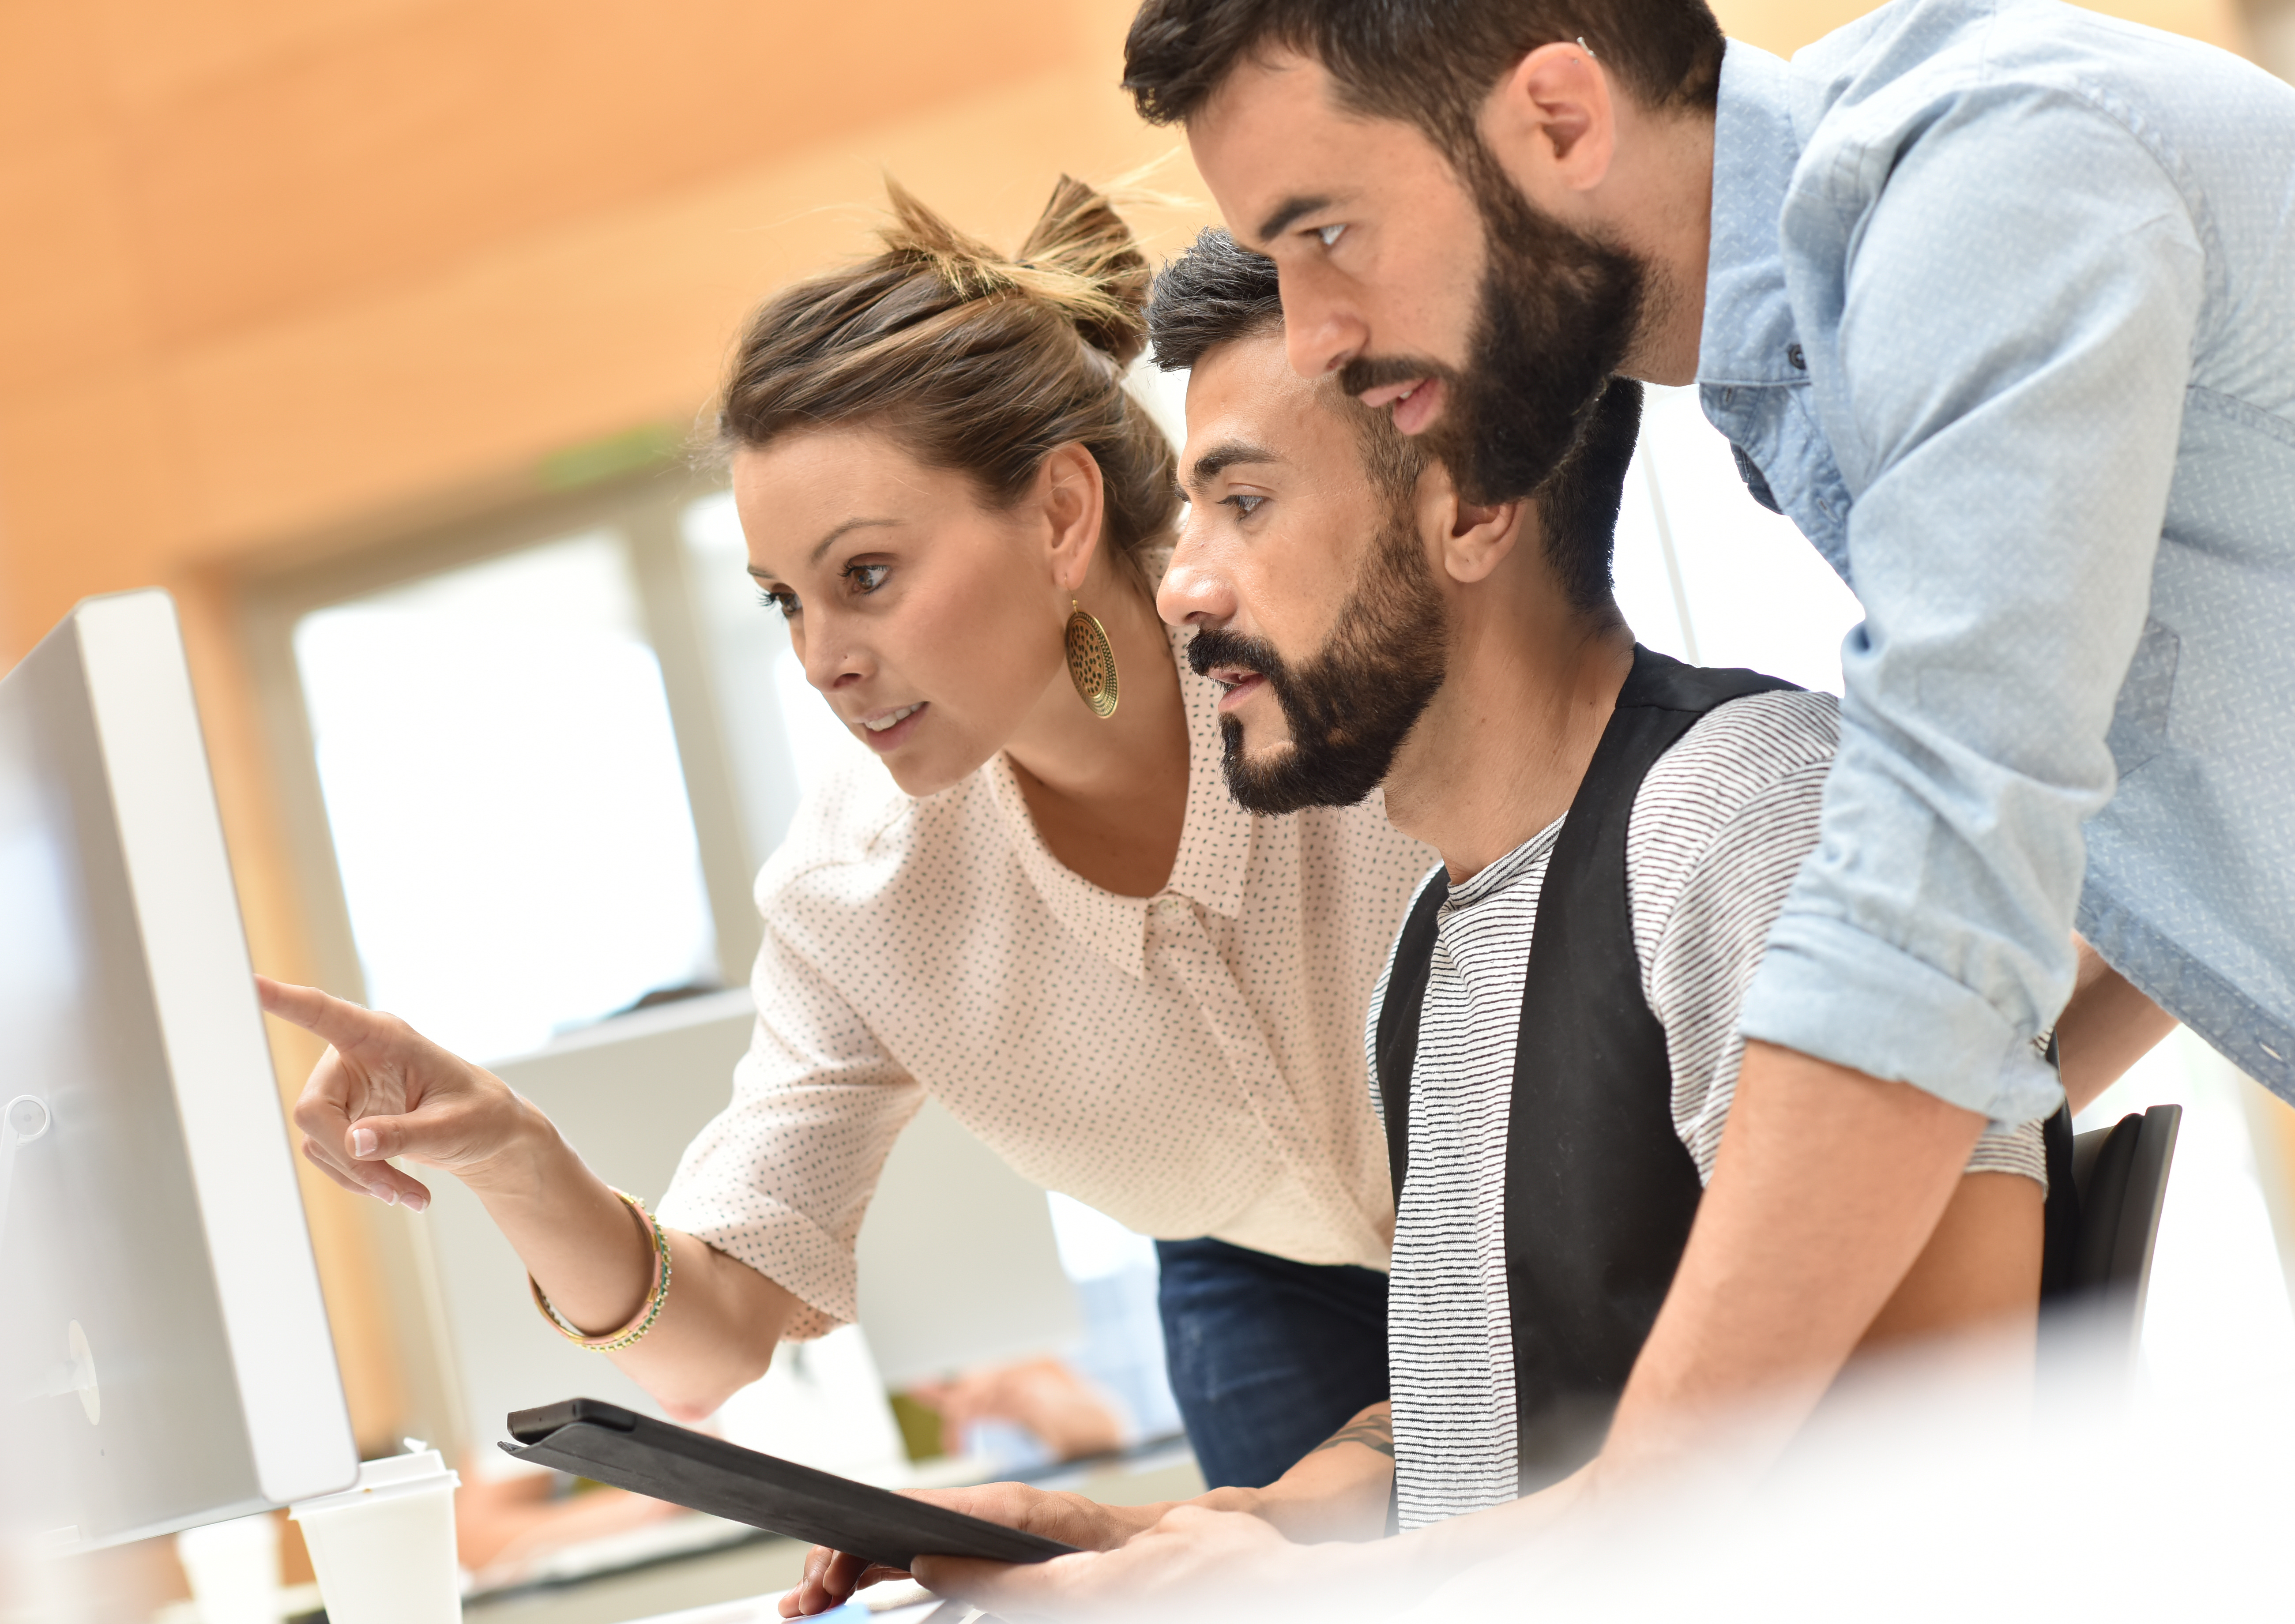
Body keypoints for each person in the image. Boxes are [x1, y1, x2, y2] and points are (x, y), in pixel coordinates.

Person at [779, 229, 2049, 1620]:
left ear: (1472, 507)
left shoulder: (1738, 814)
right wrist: (1124, 1530)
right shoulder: (1438, 947)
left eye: (1245, 504)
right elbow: (1471, 1449)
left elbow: (1928, 1427)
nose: (1185, 585)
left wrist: (1346, 1582)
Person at [1112, 0, 2282, 1508]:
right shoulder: (1799, 355)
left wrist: (1596, 1530)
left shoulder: (1988, 189)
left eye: (1327, 231)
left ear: (1560, 118)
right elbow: (2109, 856)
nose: (1320, 328)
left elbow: (1936, 891)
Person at [259, 177, 1438, 1493]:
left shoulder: (1332, 659)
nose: (823, 661)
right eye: (785, 604)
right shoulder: (861, 893)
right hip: (1264, 1279)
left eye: (865, 576)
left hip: (1571, 1193)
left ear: (1060, 515)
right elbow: (708, 1346)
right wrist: (510, 1155)